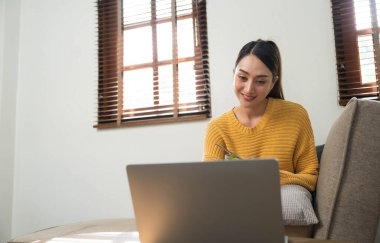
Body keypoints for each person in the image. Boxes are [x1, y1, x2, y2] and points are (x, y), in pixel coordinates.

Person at [203, 39, 318, 192]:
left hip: (284, 201)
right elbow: (209, 186)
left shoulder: (296, 115)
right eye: (242, 77)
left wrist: (267, 175)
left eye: (260, 81)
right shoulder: (217, 128)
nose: (249, 89)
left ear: (273, 82)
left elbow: (310, 177)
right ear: (233, 75)